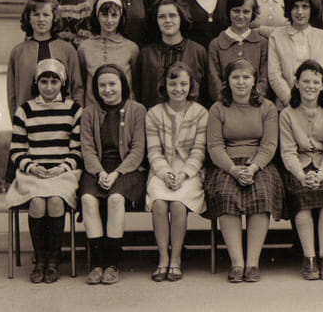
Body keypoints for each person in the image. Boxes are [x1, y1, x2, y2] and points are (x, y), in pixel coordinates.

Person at [204, 59, 284, 283]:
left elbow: (269, 144)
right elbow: (215, 146)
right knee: (226, 195)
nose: (241, 82)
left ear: (254, 81)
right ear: (227, 81)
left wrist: (253, 167)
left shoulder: (267, 107)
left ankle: (252, 263)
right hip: (227, 163)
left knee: (261, 194)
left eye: (246, 77)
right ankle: (237, 263)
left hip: (259, 163)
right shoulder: (218, 108)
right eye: (235, 77)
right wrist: (233, 169)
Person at [5, 59, 82, 284]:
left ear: (62, 83)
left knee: (56, 201)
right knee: (38, 203)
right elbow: (17, 150)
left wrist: (62, 167)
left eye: (54, 82)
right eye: (44, 81)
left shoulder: (74, 110)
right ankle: (40, 260)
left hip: (63, 172)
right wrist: (32, 167)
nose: (49, 87)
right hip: (33, 172)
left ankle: (53, 261)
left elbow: (77, 150)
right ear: (36, 83)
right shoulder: (25, 110)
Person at [79, 64, 146, 285]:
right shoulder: (88, 113)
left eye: (112, 84)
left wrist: (116, 173)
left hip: (127, 169)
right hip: (96, 168)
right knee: (88, 200)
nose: (107, 89)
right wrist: (99, 172)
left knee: (116, 199)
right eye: (102, 85)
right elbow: (87, 149)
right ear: (96, 88)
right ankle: (97, 264)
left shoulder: (137, 110)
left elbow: (138, 151)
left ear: (122, 85)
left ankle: (112, 264)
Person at [280, 60, 323, 280]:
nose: (310, 86)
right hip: (297, 167)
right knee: (301, 195)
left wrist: (321, 173)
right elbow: (288, 152)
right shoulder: (287, 114)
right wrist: (300, 175)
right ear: (297, 83)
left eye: (316, 82)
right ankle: (309, 257)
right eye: (306, 81)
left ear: (322, 85)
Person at [145, 62, 208, 282]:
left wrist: (183, 174)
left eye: (183, 84)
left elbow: (199, 151)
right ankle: (163, 257)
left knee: (179, 205)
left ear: (191, 86)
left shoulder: (200, 113)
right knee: (159, 204)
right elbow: (154, 152)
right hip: (161, 170)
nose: (178, 89)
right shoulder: (154, 114)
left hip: (189, 172)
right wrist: (165, 173)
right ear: (165, 85)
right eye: (173, 84)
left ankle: (176, 258)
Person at [7, 0, 84, 119]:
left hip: (63, 121)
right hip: (30, 121)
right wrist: (17, 122)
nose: (41, 19)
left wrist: (77, 120)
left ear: (54, 18)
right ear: (28, 18)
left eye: (46, 15)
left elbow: (77, 89)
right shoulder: (18, 52)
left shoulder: (68, 50)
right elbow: (12, 95)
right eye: (36, 14)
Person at [267, 0, 323, 110]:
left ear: (312, 9)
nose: (300, 12)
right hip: (287, 108)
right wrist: (292, 102)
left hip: (320, 108)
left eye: (305, 7)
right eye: (295, 7)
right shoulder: (276, 37)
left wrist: (321, 101)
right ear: (288, 9)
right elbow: (275, 75)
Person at [137, 0, 208, 109]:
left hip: (191, 116)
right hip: (154, 116)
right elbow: (140, 93)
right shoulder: (146, 54)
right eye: (162, 17)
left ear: (181, 17)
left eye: (172, 15)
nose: (167, 20)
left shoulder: (198, 52)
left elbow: (205, 92)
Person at [78, 0, 139, 106]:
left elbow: (136, 84)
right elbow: (82, 82)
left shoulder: (131, 48)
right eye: (104, 15)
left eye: (114, 15)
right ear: (97, 16)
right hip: (94, 109)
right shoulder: (84, 47)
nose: (109, 20)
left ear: (121, 17)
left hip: (124, 109)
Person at [208, 0, 268, 102]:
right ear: (228, 11)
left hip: (255, 104)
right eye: (236, 11)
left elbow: (264, 78)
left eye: (246, 12)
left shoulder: (262, 43)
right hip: (226, 104)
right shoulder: (216, 44)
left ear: (253, 13)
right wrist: (225, 100)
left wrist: (254, 99)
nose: (240, 16)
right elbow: (214, 79)